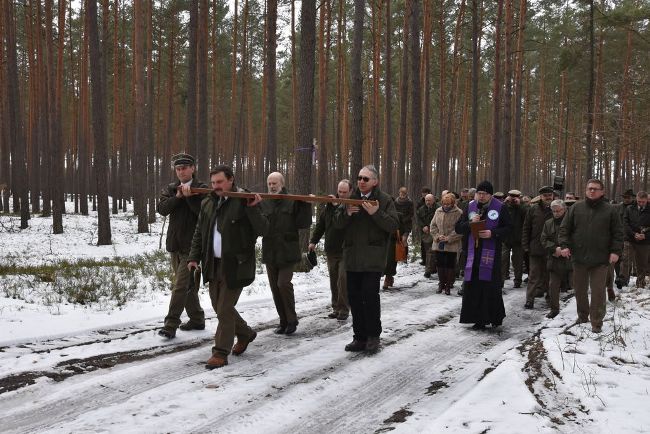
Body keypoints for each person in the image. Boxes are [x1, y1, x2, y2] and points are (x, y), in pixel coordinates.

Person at [187, 165, 268, 369]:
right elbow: (199, 233)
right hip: (212, 263)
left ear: (231, 180)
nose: (216, 186)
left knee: (223, 308)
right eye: (213, 183)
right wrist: (193, 257)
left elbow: (263, 229)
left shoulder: (244, 200)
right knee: (219, 307)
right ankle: (245, 333)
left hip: (236, 264)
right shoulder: (208, 202)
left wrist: (252, 209)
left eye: (220, 182)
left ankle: (220, 352)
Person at [334, 165, 399, 353]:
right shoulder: (350, 198)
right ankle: (359, 337)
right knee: (354, 298)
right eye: (359, 178)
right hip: (353, 257)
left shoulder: (385, 200)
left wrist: (376, 213)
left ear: (375, 182)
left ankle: (373, 336)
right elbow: (336, 224)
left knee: (370, 297)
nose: (361, 181)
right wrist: (345, 213)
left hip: (373, 258)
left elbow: (393, 224)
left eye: (365, 179)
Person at [558, 179, 624, 333]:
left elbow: (618, 233)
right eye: (589, 189)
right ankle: (582, 316)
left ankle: (597, 323)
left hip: (601, 259)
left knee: (598, 292)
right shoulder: (576, 208)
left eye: (595, 189)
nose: (592, 191)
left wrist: (615, 251)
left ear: (602, 191)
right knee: (580, 290)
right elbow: (564, 229)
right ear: (585, 190)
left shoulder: (610, 210)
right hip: (579, 257)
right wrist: (565, 245)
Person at [156, 153, 207, 339]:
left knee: (180, 286)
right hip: (175, 245)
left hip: (193, 247)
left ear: (193, 168)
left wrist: (189, 198)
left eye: (184, 168)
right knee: (188, 287)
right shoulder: (171, 188)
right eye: (178, 169)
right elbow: (162, 209)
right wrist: (178, 197)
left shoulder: (202, 188)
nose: (181, 171)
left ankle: (170, 325)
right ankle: (197, 319)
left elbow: (204, 213)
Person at [260, 172, 312, 335]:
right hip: (270, 251)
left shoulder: (291, 201)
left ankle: (291, 319)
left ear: (282, 184)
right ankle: (283, 321)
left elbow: (304, 222)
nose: (272, 186)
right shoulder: (264, 202)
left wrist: (306, 205)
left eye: (275, 183)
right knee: (275, 288)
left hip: (288, 251)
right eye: (269, 183)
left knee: (283, 284)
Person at [455, 181, 512, 330]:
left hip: (490, 255)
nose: (481, 196)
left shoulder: (500, 208)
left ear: (491, 195)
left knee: (489, 287)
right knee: (473, 286)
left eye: (485, 194)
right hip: (472, 254)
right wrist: (469, 223)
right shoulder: (470, 207)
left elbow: (509, 228)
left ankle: (493, 317)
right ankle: (477, 319)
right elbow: (458, 228)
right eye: (479, 193)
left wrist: (493, 233)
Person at [309, 180, 352, 320]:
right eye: (340, 191)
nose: (342, 194)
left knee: (342, 279)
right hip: (331, 249)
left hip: (346, 250)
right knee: (334, 280)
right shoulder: (329, 206)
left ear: (350, 192)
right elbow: (321, 225)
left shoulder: (352, 206)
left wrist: (339, 206)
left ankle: (344, 309)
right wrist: (313, 241)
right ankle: (336, 307)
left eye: (345, 192)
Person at [522, 186, 554, 309]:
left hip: (551, 249)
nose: (547, 197)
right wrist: (525, 245)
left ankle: (550, 299)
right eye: (545, 195)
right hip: (535, 248)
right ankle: (529, 300)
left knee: (549, 276)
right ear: (540, 196)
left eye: (549, 195)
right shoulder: (533, 209)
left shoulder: (557, 209)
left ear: (553, 196)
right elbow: (526, 228)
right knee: (533, 276)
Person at [540, 200, 572, 319]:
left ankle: (580, 308)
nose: (556, 213)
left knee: (576, 285)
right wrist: (555, 249)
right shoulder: (548, 223)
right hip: (554, 258)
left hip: (570, 258)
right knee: (553, 285)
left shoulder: (572, 222)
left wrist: (567, 249)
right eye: (554, 211)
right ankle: (554, 309)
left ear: (564, 210)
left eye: (559, 211)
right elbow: (543, 239)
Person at [430, 193, 463, 294]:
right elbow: (433, 225)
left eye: (448, 204)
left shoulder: (458, 212)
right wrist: (437, 236)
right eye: (444, 204)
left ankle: (448, 285)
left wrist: (449, 238)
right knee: (439, 264)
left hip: (451, 244)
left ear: (453, 203)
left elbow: (460, 229)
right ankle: (441, 284)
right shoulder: (438, 211)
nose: (446, 206)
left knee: (450, 264)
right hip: (439, 242)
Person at [624, 191, 650, 288]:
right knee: (625, 259)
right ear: (636, 199)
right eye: (639, 201)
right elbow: (625, 223)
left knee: (642, 263)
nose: (641, 203)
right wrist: (633, 234)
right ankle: (623, 281)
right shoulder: (630, 208)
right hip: (630, 238)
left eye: (643, 202)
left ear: (647, 200)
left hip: (645, 241)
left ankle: (640, 283)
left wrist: (645, 236)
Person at [501, 190, 526, 288]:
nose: (513, 198)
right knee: (502, 260)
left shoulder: (522, 207)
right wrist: (505, 203)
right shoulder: (505, 206)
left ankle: (518, 280)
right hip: (506, 238)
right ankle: (500, 281)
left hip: (518, 239)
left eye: (515, 196)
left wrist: (520, 205)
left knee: (518, 261)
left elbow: (527, 216)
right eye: (511, 196)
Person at [615, 189, 636, 289]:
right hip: (618, 236)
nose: (626, 199)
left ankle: (624, 279)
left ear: (632, 197)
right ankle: (619, 276)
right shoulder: (618, 207)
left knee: (626, 258)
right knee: (617, 258)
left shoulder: (635, 208)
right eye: (625, 197)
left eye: (628, 197)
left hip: (630, 237)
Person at [416, 194, 438, 277]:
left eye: (429, 200)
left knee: (435, 251)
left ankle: (432, 268)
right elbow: (418, 219)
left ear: (433, 200)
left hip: (437, 232)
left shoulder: (438, 209)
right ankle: (429, 269)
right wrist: (423, 226)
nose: (428, 202)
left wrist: (430, 227)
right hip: (426, 233)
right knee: (429, 251)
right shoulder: (421, 209)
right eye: (426, 200)